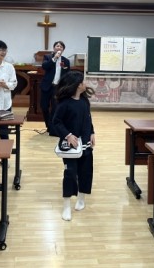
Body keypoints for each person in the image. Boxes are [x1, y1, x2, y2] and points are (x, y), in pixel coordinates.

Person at [52, 70, 96, 221]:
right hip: (70, 147)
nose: (85, 83)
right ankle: (66, 206)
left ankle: (81, 199)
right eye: (83, 81)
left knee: (86, 172)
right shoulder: (64, 104)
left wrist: (92, 132)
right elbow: (56, 122)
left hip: (86, 144)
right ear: (77, 85)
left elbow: (88, 118)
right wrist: (68, 135)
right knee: (70, 174)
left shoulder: (84, 101)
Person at [40, 41, 70, 136]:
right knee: (44, 107)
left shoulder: (66, 61)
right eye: (57, 46)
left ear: (63, 49)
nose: (59, 48)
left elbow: (67, 74)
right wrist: (54, 58)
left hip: (58, 88)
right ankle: (48, 126)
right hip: (47, 86)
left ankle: (53, 129)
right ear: (54, 48)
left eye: (61, 46)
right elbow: (44, 66)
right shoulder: (47, 57)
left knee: (55, 108)